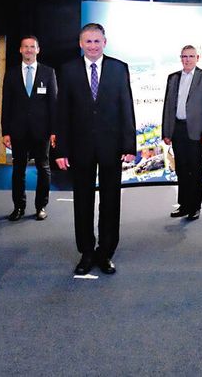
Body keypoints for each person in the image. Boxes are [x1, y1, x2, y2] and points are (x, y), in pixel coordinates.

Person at [55, 23, 136, 275]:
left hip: (111, 146)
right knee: (83, 200)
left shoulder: (118, 68)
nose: (92, 46)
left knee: (111, 201)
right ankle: (87, 252)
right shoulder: (67, 70)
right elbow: (62, 113)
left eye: (97, 41)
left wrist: (129, 145)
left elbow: (126, 107)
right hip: (80, 147)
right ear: (80, 43)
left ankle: (106, 252)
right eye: (88, 41)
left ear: (105, 42)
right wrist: (61, 150)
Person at [1, 35, 58, 221]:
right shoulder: (11, 74)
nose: (28, 50)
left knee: (44, 168)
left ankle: (41, 206)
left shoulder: (48, 73)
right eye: (25, 46)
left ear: (38, 50)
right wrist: (5, 132)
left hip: (41, 131)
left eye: (32, 46)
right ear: (20, 50)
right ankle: (18, 207)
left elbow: (53, 105)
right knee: (18, 170)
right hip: (18, 131)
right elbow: (6, 105)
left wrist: (54, 131)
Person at [162, 45, 202, 220]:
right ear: (180, 58)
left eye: (191, 56)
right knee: (181, 169)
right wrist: (166, 131)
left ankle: (195, 206)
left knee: (194, 170)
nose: (187, 59)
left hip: (196, 132)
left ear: (197, 58)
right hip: (177, 129)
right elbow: (167, 107)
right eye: (184, 56)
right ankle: (184, 205)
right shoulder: (173, 78)